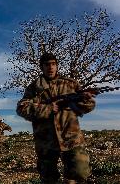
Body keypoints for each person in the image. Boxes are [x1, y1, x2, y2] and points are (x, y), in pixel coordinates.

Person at [16, 52, 95, 184]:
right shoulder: (34, 87)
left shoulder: (71, 84)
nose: (51, 67)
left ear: (57, 66)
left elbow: (88, 106)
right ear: (42, 67)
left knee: (80, 173)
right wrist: (47, 109)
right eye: (47, 65)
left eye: (53, 64)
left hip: (71, 137)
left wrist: (86, 99)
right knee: (48, 178)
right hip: (45, 141)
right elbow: (21, 108)